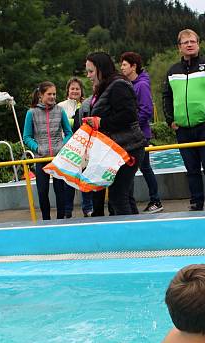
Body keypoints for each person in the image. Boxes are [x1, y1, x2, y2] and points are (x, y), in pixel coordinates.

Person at [162, 29, 205, 211]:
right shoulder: (172, 71)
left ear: (198, 44)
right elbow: (166, 96)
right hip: (182, 128)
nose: (189, 45)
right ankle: (196, 202)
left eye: (192, 41)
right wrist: (170, 120)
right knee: (191, 169)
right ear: (179, 47)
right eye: (185, 42)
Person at [85, 51, 146, 216]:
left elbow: (129, 115)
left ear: (100, 69)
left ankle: (130, 236)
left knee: (118, 197)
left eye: (91, 71)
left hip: (128, 148)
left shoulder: (118, 85)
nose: (88, 75)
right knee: (123, 196)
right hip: (119, 149)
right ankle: (136, 233)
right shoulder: (107, 87)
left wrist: (100, 122)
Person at [23, 81, 74, 220]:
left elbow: (68, 132)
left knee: (60, 190)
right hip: (41, 158)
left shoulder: (60, 110)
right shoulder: (31, 113)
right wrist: (37, 148)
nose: (52, 96)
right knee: (42, 191)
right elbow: (26, 137)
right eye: (49, 94)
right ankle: (46, 220)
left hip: (58, 158)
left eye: (54, 94)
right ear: (41, 95)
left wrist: (62, 146)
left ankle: (60, 218)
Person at [121, 51, 163, 214]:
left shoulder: (141, 85)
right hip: (134, 133)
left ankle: (156, 200)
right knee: (140, 168)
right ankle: (152, 199)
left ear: (134, 66)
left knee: (145, 167)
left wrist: (132, 125)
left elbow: (146, 110)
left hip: (140, 134)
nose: (122, 68)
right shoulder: (131, 84)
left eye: (125, 64)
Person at [59, 78, 95, 217]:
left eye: (77, 89)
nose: (75, 91)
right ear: (68, 90)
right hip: (68, 148)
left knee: (85, 178)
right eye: (72, 88)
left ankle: (88, 208)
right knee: (68, 180)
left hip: (86, 147)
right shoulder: (60, 106)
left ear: (81, 91)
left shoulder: (87, 105)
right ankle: (67, 210)